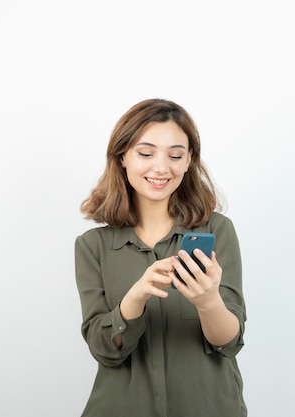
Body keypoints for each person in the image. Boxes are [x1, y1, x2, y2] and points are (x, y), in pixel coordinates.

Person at [74, 98, 247, 417]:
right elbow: (104, 350)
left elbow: (230, 342)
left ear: (188, 160)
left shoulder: (217, 231)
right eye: (145, 153)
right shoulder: (92, 246)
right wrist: (134, 299)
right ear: (122, 156)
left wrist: (208, 301)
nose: (161, 167)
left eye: (175, 155)